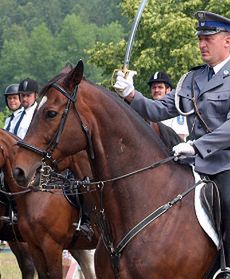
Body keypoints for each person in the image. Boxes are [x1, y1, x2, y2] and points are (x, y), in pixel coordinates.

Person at [114, 11, 230, 278]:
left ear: (227, 41)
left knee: (228, 201)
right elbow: (157, 110)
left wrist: (197, 146)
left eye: (208, 38)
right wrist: (131, 94)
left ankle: (227, 267)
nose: (202, 44)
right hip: (192, 162)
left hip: (225, 163)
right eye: (200, 38)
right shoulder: (191, 79)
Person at [147, 71, 188, 140]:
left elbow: (180, 138)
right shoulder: (147, 110)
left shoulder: (178, 109)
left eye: (160, 87)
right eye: (154, 87)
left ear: (168, 90)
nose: (156, 90)